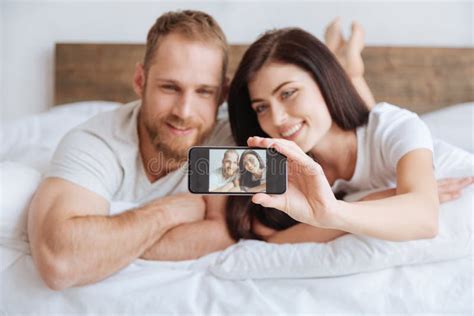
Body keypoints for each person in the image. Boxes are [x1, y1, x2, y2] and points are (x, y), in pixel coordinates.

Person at [27, 10, 235, 290]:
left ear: (222, 94)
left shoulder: (228, 143)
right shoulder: (96, 142)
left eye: (203, 92)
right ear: (140, 81)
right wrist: (167, 213)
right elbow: (60, 262)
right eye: (170, 87)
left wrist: (112, 244)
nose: (184, 112)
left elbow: (228, 231)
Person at [226, 23, 474, 243]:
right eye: (261, 107)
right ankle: (348, 68)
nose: (277, 119)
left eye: (288, 93)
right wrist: (372, 201)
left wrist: (333, 212)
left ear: (325, 80)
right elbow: (271, 238)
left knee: (372, 116)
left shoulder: (396, 127)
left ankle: (350, 69)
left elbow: (424, 219)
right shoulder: (281, 161)